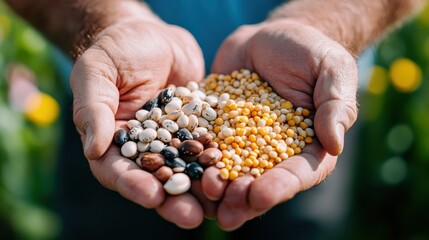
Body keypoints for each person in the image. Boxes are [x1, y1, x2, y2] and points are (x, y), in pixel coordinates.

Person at [5, 0, 424, 239]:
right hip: (118, 102)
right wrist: (107, 23)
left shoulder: (290, 118)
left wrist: (322, 24)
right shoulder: (141, 126)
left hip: (307, 99)